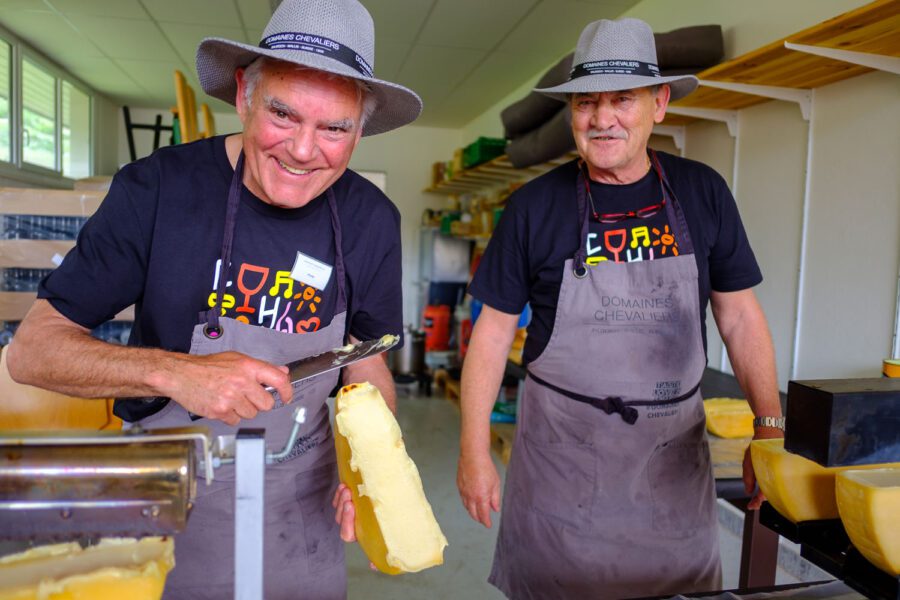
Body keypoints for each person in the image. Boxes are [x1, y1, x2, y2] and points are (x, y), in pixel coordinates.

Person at [6, 0, 421, 597]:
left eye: (334, 128)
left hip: (300, 502)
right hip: (171, 494)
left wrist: (370, 468)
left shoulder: (372, 220)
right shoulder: (156, 191)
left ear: (361, 127)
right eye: (283, 114)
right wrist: (176, 373)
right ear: (245, 93)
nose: (304, 151)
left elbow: (367, 359)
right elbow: (33, 352)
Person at [457, 18, 784, 599]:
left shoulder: (702, 192)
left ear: (658, 104)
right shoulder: (533, 206)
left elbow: (739, 316)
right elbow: (491, 332)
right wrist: (474, 449)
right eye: (586, 102)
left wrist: (769, 426)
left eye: (622, 100)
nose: (602, 118)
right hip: (562, 466)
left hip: (671, 466)